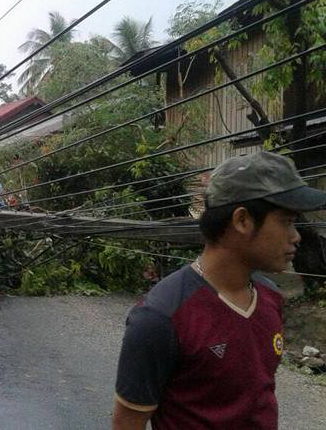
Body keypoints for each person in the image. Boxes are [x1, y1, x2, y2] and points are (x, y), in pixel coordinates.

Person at [113, 151, 326, 430]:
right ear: (242, 221)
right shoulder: (160, 318)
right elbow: (128, 423)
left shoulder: (270, 297)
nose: (296, 236)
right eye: (286, 221)